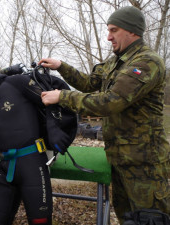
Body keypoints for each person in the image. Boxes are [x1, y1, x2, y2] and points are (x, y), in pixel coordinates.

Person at [39, 6, 170, 224]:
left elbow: (109, 103)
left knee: (150, 219)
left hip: (145, 164)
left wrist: (62, 97)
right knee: (126, 217)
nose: (108, 36)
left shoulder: (146, 63)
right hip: (120, 158)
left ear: (132, 31)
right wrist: (61, 66)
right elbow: (89, 83)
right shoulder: (115, 61)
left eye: (114, 30)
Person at [0, 54, 76, 225]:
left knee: (40, 221)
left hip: (32, 164)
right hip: (4, 166)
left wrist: (54, 129)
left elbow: (49, 99)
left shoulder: (17, 82)